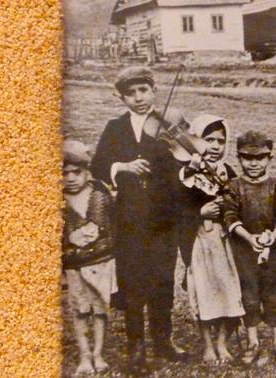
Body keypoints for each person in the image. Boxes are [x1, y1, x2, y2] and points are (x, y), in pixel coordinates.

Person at [90, 66, 186, 376]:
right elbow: (98, 167)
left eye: (143, 90)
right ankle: (136, 346)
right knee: (132, 281)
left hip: (163, 218)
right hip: (130, 219)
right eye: (130, 94)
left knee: (163, 279)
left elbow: (186, 165)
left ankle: (163, 340)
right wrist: (124, 166)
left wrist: (187, 158)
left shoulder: (170, 124)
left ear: (154, 91)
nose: (138, 98)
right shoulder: (115, 127)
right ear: (122, 97)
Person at [175, 114, 244, 365]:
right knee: (203, 290)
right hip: (199, 240)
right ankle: (207, 344)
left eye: (221, 141)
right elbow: (175, 209)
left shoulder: (228, 172)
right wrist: (199, 212)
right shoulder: (186, 175)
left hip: (225, 241)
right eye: (208, 140)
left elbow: (239, 203)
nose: (215, 147)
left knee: (228, 287)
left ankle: (222, 341)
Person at [222, 131, 276, 366]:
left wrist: (273, 235)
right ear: (239, 158)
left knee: (274, 296)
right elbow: (229, 215)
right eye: (247, 158)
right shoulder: (234, 186)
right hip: (243, 252)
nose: (254, 163)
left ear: (269, 157)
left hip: (270, 252)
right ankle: (253, 343)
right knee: (249, 296)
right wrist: (249, 238)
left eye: (260, 158)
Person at [62, 140, 117, 376]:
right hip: (74, 265)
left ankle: (98, 353)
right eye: (65, 174)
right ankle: (85, 354)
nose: (71, 178)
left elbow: (113, 225)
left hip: (102, 262)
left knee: (100, 308)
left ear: (87, 172)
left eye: (77, 172)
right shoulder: (58, 201)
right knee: (80, 309)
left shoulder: (99, 195)